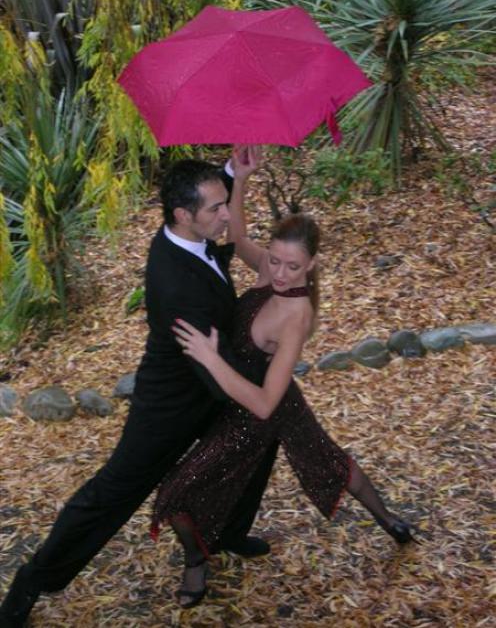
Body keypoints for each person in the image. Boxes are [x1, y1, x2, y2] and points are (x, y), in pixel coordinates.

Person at [0, 151, 277, 627]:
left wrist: (236, 175)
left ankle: (229, 530)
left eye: (222, 204)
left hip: (209, 378)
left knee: (259, 436)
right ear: (183, 215)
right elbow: (213, 366)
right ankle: (34, 579)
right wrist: (263, 388)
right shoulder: (174, 281)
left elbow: (222, 231)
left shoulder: (188, 235)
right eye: (216, 208)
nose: (226, 214)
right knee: (112, 493)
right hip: (170, 404)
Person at [150, 146, 416, 609]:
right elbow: (236, 230)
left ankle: (389, 519)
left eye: (292, 267)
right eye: (273, 259)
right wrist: (243, 179)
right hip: (239, 400)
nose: (277, 272)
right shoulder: (267, 271)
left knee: (327, 460)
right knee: (176, 493)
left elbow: (264, 405)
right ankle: (198, 558)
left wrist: (211, 360)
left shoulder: (296, 314)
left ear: (310, 266)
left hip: (262, 407)